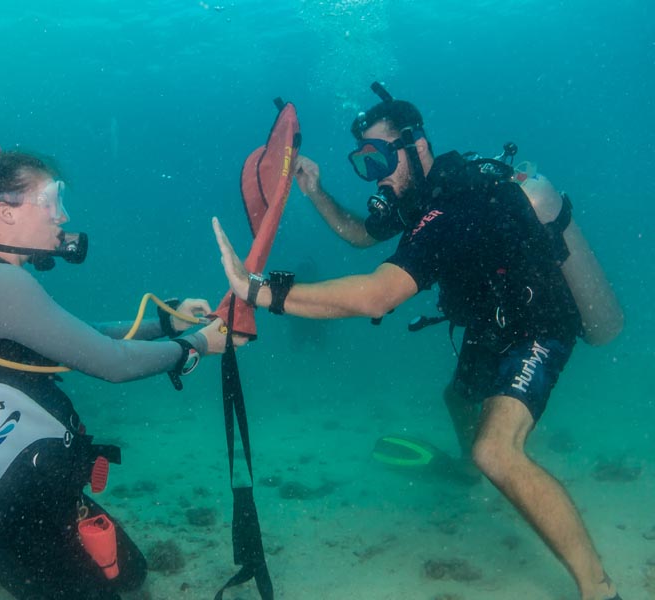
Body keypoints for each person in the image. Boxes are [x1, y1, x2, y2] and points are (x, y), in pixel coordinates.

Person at [212, 90, 622, 600]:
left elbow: (378, 296)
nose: (377, 175)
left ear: (418, 146)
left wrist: (258, 290)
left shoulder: (454, 202)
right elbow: (362, 236)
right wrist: (316, 192)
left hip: (538, 324)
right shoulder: (416, 199)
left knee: (497, 450)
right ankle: (470, 473)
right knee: (458, 400)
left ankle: (599, 587)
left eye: (382, 158)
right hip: (491, 322)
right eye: (364, 163)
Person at [0, 149, 231, 600]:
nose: (62, 215)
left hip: (28, 492)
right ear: (5, 213)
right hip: (11, 511)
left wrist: (166, 323)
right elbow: (111, 363)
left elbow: (70, 337)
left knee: (132, 574)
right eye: (50, 199)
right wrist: (196, 346)